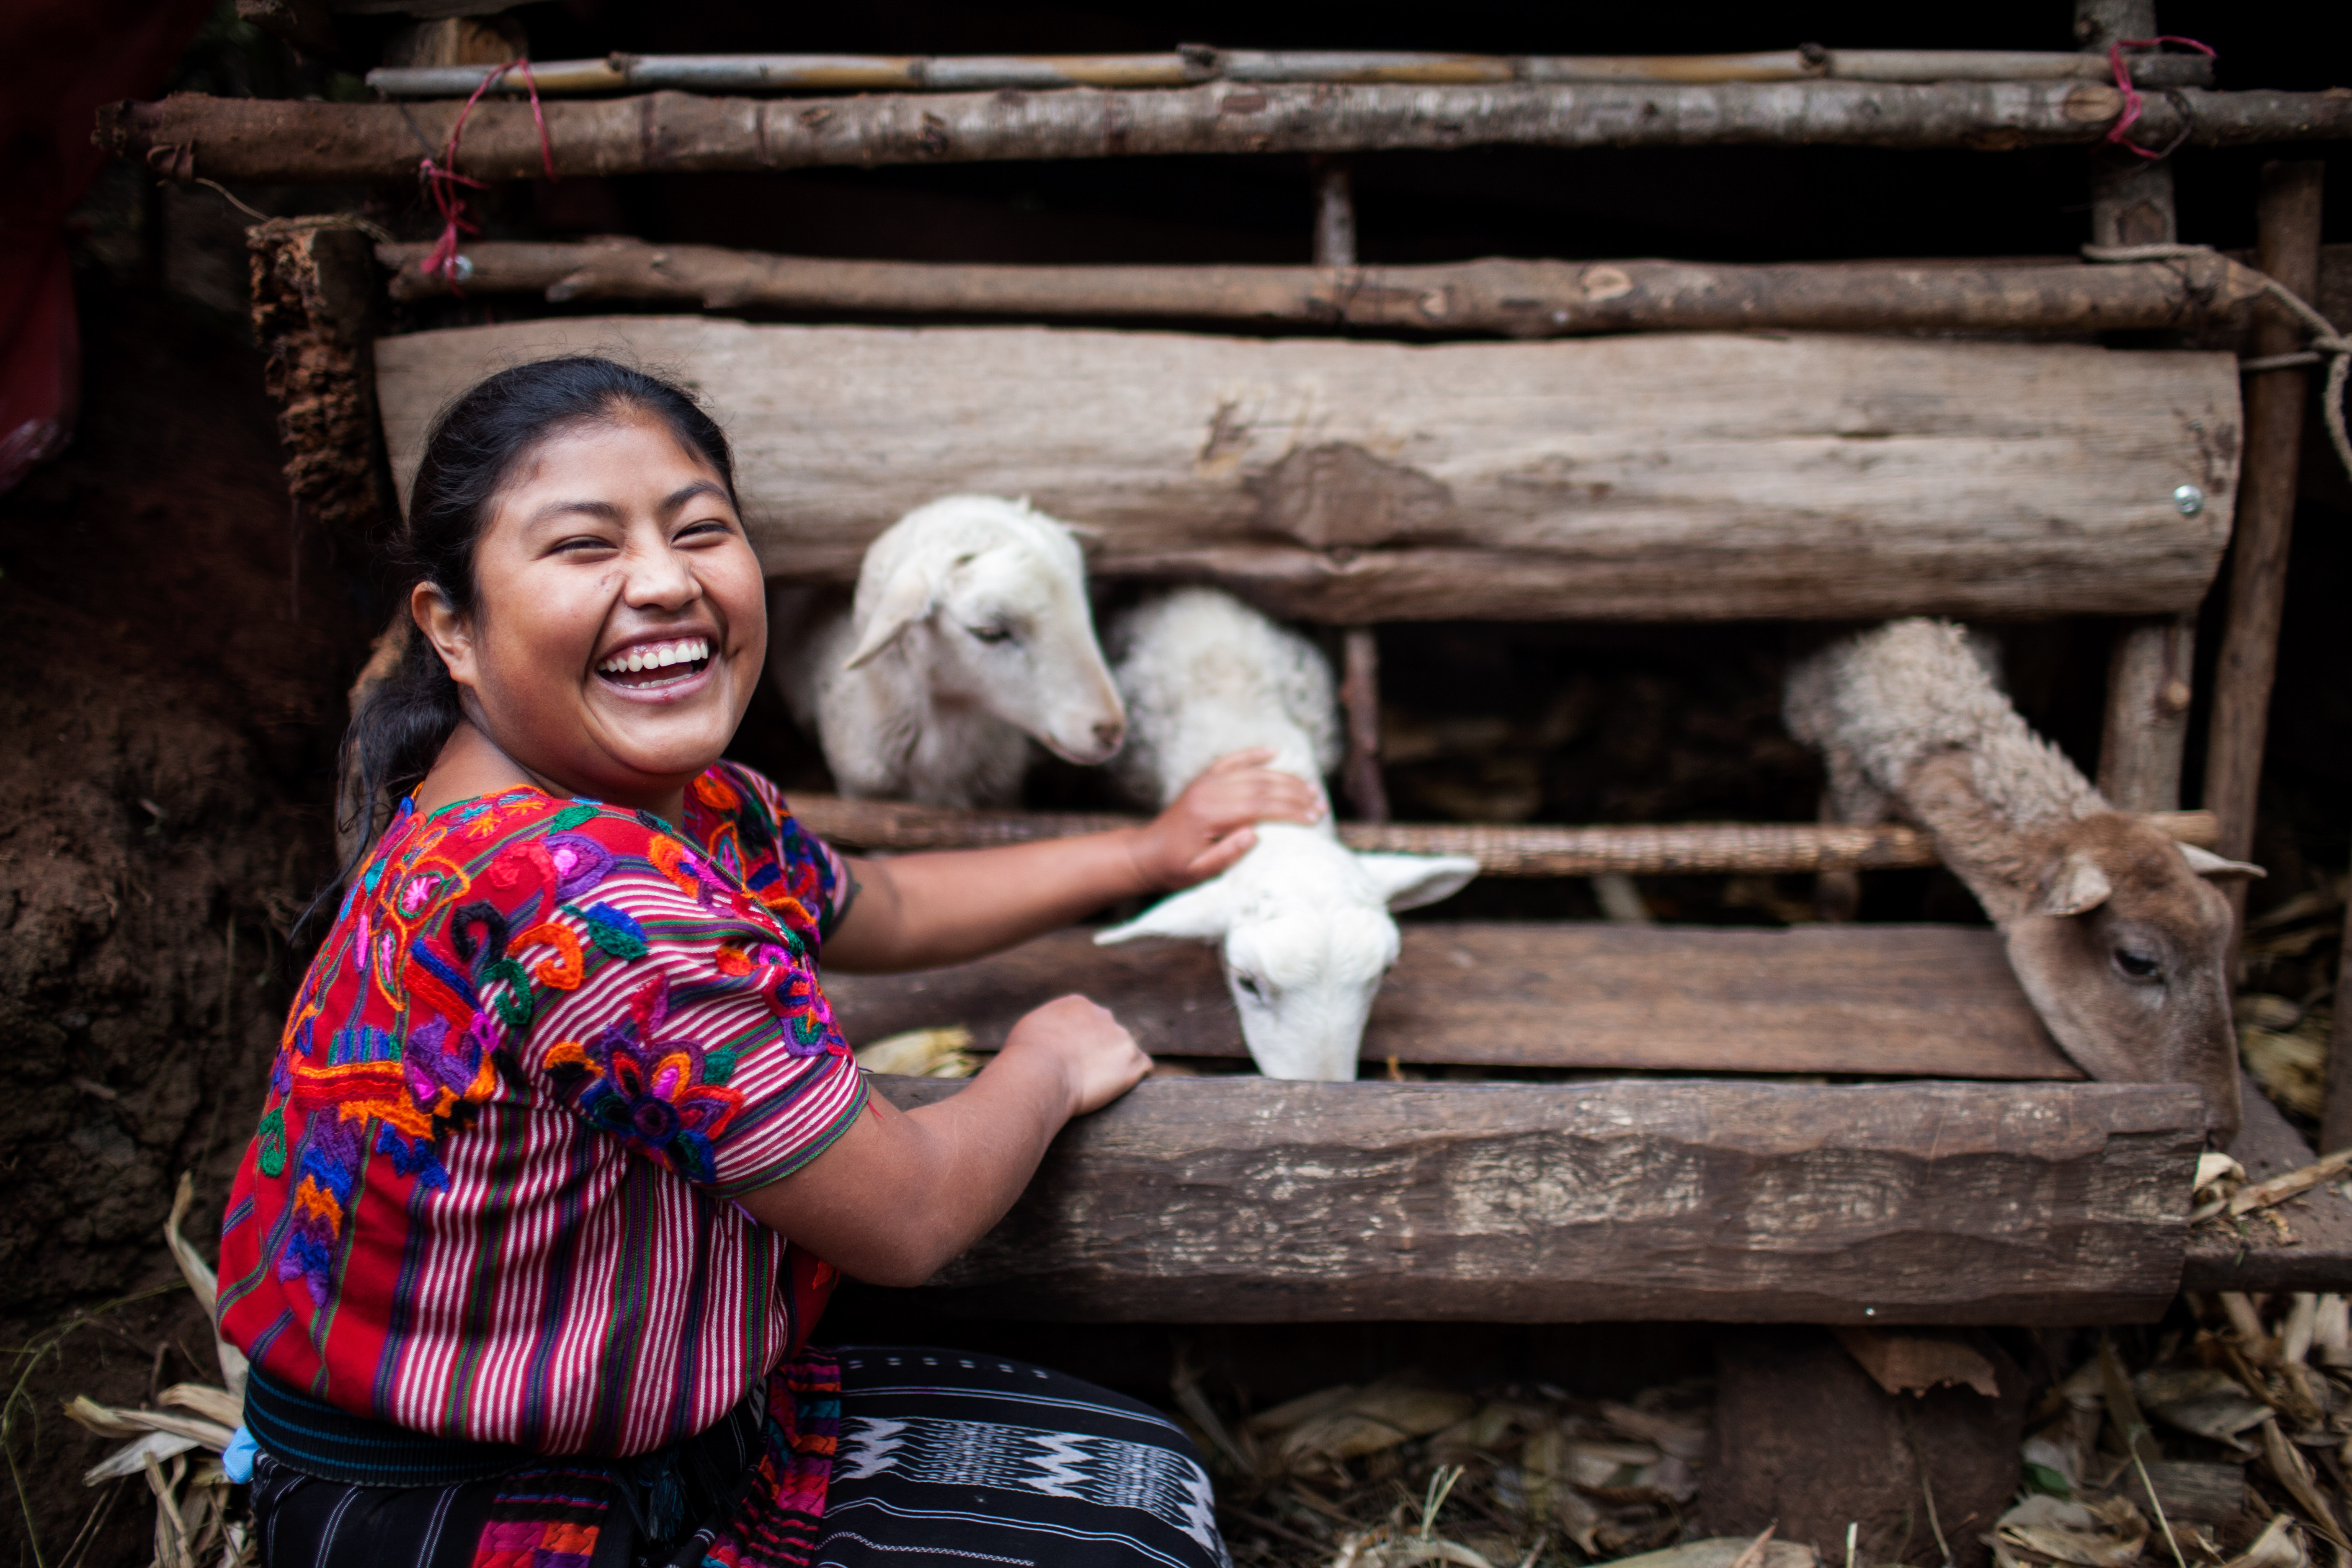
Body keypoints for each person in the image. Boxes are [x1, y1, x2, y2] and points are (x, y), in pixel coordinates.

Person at [216, 355, 1323, 1567]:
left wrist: (1145, 851)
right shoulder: (586, 904)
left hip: (660, 1433)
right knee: (1137, 1549)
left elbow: (878, 901)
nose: (665, 582)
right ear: (453, 630)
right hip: (476, 1509)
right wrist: (1046, 1066)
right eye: (585, 548)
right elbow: (905, 1217)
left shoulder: (671, 808)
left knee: (1149, 1480)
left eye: (700, 530)